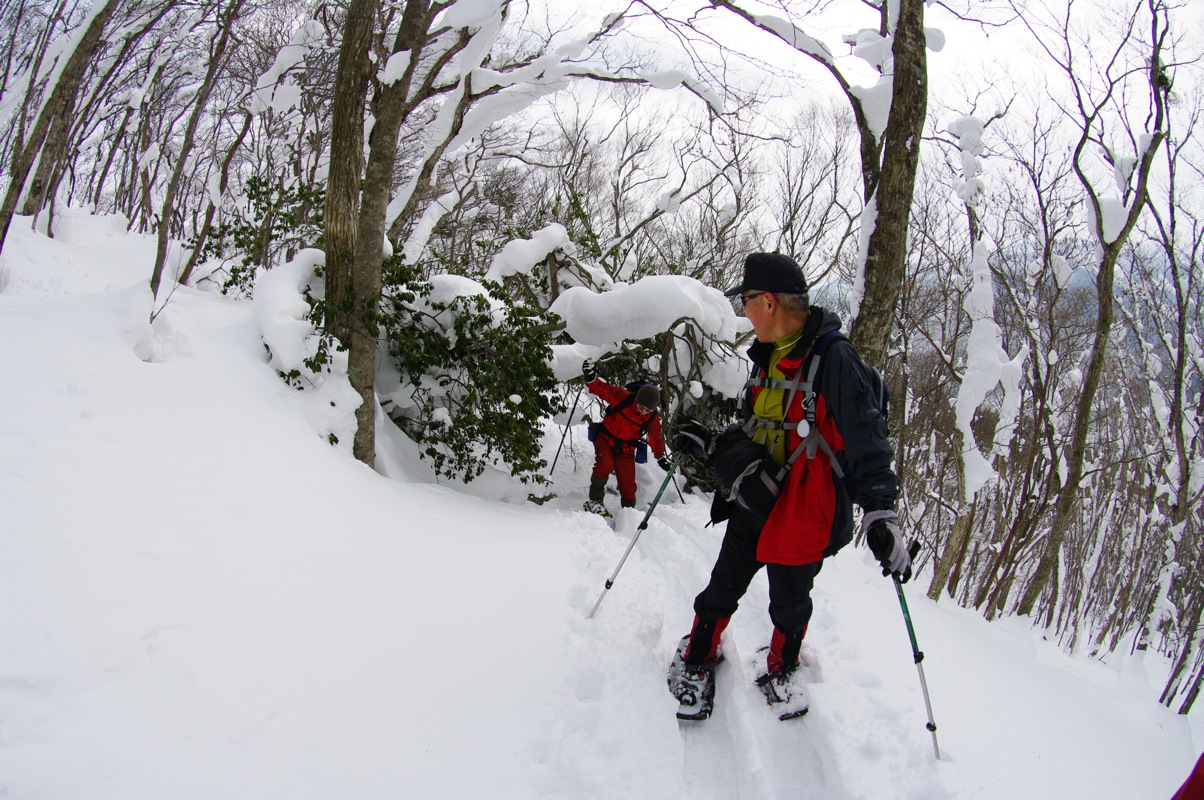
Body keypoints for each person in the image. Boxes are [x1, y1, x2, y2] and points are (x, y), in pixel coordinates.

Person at [668, 251, 912, 718]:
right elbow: (759, 427)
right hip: (757, 499)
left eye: (748, 301)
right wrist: (710, 443)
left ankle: (783, 667)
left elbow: (868, 439)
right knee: (723, 586)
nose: (744, 311)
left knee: (791, 600)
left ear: (770, 302)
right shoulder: (766, 356)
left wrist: (881, 511)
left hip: (805, 511)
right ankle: (699, 656)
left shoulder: (835, 359)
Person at [580, 358, 670, 517]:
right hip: (605, 437)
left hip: (626, 448)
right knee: (605, 464)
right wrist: (590, 377)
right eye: (640, 407)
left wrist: (661, 456)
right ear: (637, 400)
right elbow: (602, 389)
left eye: (647, 410)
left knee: (628, 485)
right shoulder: (624, 398)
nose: (643, 412)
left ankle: (629, 514)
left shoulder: (652, 418)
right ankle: (595, 501)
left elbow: (656, 437)